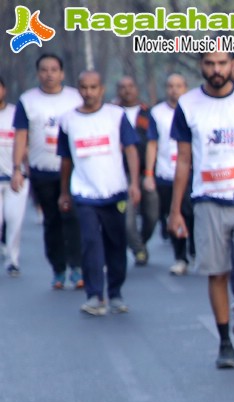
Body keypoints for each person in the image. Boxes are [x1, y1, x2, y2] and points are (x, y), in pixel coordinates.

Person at [168, 52, 234, 369]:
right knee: (217, 273)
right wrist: (175, 210)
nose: (217, 70)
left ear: (230, 67)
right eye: (210, 64)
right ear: (201, 66)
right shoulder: (188, 105)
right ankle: (224, 341)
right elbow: (182, 159)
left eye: (222, 64)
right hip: (207, 199)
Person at [57, 70, 141, 315]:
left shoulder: (116, 116)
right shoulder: (67, 120)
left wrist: (134, 182)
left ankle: (115, 293)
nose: (88, 92)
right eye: (83, 87)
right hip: (84, 194)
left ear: (102, 89)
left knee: (116, 243)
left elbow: (131, 150)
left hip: (114, 192)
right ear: (78, 88)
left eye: (93, 87)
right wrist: (64, 192)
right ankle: (95, 295)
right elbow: (65, 159)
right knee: (91, 243)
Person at [13, 53, 84, 290]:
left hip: (72, 170)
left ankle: (77, 266)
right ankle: (58, 269)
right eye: (44, 69)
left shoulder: (75, 98)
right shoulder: (28, 100)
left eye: (54, 69)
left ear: (62, 73)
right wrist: (17, 169)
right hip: (42, 171)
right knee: (52, 221)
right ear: (38, 73)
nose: (49, 74)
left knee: (73, 218)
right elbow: (21, 135)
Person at [146, 73, 193, 275]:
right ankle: (180, 257)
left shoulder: (194, 108)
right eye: (170, 86)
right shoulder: (157, 113)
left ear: (186, 88)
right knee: (174, 215)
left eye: (179, 85)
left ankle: (194, 250)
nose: (174, 89)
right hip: (166, 174)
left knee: (191, 215)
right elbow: (152, 144)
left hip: (192, 173)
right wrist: (149, 173)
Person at [114, 75, 158, 266]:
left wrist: (149, 173)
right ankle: (138, 249)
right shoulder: (112, 113)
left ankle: (141, 241)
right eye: (123, 87)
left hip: (146, 173)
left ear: (137, 89)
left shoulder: (149, 113)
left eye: (131, 86)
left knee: (152, 215)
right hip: (121, 174)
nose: (127, 90)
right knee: (127, 219)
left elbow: (154, 143)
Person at [1, 77, 29, 277]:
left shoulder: (16, 114)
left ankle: (13, 260)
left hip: (15, 177)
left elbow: (26, 141)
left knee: (14, 219)